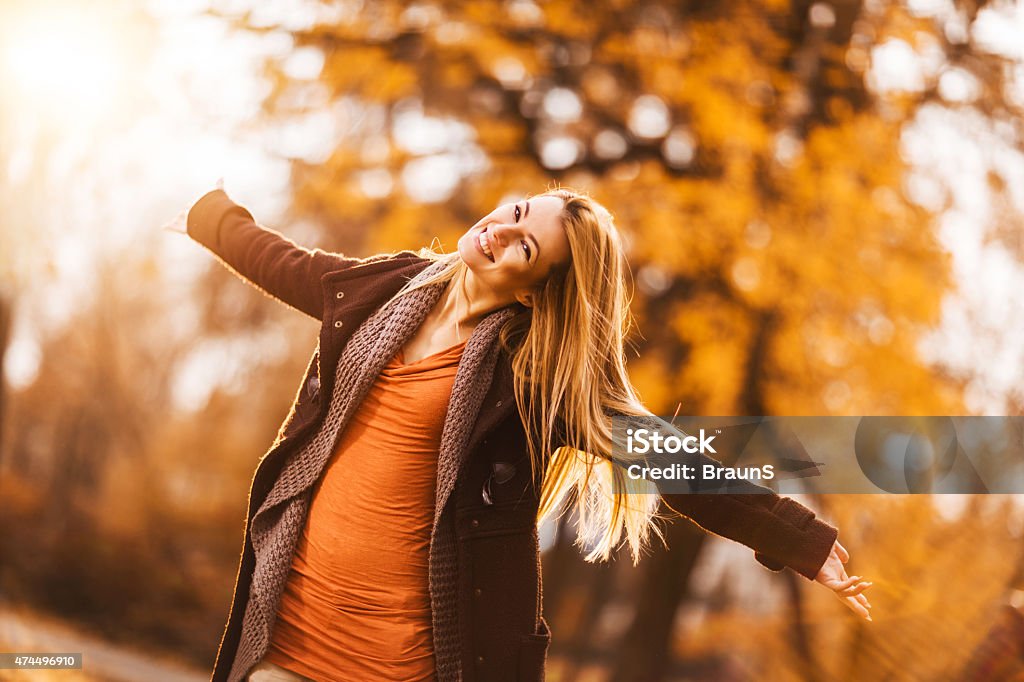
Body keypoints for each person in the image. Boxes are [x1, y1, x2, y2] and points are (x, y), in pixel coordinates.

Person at [165, 180, 872, 682]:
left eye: (523, 248)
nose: (499, 231)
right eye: (518, 212)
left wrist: (798, 538)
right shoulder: (385, 290)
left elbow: (666, 456)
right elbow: (282, 261)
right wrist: (205, 210)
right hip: (289, 627)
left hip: (400, 662)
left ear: (534, 291)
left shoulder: (533, 381)